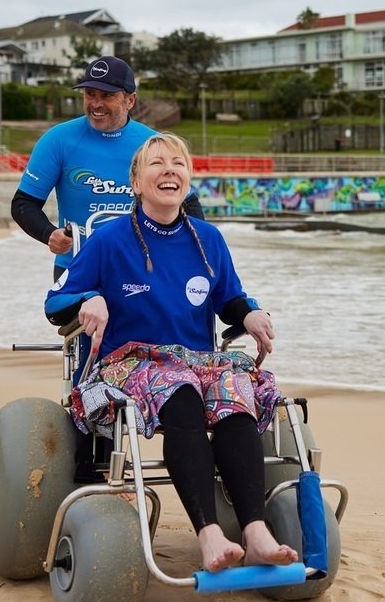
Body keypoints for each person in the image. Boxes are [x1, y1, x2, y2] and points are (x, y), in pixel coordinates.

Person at [43, 132, 296, 574]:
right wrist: (89, 299)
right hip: (130, 362)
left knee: (238, 400)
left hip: (199, 361)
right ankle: (210, 535)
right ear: (136, 183)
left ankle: (255, 531)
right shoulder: (108, 240)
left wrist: (250, 313)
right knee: (182, 396)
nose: (169, 171)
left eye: (178, 164)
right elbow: (54, 303)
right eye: (157, 163)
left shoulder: (208, 239)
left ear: (188, 180)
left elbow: (229, 297)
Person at [11, 55, 202, 281]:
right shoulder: (58, 140)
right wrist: (49, 233)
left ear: (130, 100)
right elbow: (24, 203)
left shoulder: (152, 144)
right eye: (89, 94)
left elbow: (188, 206)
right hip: (78, 268)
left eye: (107, 95)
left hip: (144, 270)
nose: (96, 103)